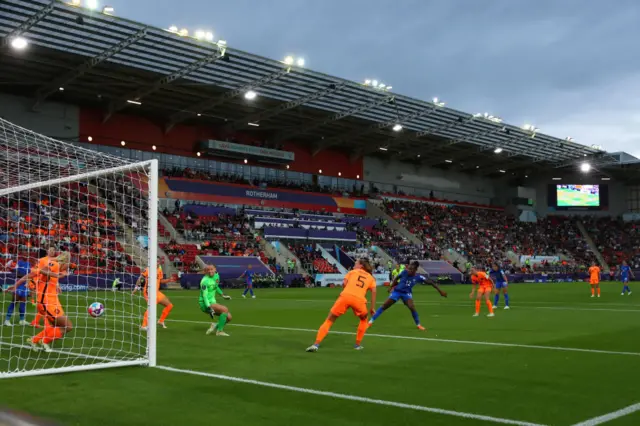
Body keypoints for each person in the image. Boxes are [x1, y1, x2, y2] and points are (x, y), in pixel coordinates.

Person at [306, 258, 377, 352]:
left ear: (361, 266)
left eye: (356, 264)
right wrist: (372, 308)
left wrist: (347, 291)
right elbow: (374, 292)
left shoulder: (352, 272)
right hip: (359, 300)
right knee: (364, 320)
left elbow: (344, 283)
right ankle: (357, 345)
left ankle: (316, 344)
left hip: (345, 296)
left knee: (329, 320)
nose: (354, 266)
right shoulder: (371, 278)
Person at [368, 260, 447, 331]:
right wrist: (391, 287)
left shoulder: (418, 277)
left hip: (406, 293)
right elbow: (397, 278)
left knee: (412, 307)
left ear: (415, 270)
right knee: (385, 306)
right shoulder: (405, 272)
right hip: (397, 292)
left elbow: (431, 282)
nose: (408, 270)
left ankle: (418, 325)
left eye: (410, 269)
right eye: (408, 268)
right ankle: (370, 322)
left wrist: (440, 291)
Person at [30, 250, 71, 352]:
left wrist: (57, 282)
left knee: (56, 326)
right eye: (68, 264)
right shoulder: (55, 264)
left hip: (53, 301)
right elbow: (42, 270)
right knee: (68, 326)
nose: (68, 267)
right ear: (65, 261)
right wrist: (57, 275)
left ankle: (34, 340)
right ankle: (44, 341)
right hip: (47, 302)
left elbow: (50, 278)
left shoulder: (58, 268)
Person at [134, 262, 174, 330]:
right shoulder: (148, 269)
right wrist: (136, 288)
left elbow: (161, 281)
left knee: (169, 305)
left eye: (159, 261)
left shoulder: (159, 270)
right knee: (151, 308)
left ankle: (160, 321)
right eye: (157, 261)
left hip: (156, 292)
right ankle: (143, 326)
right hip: (148, 292)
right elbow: (140, 278)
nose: (158, 263)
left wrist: (169, 280)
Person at [199, 265, 232, 336]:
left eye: (211, 269)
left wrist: (223, 295)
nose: (210, 271)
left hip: (212, 302)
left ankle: (215, 325)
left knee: (229, 317)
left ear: (215, 269)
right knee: (225, 309)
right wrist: (209, 307)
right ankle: (219, 331)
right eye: (208, 270)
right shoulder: (204, 281)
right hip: (205, 303)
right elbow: (205, 296)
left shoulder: (216, 276)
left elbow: (216, 287)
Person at [3, 258, 31, 326]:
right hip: (18, 284)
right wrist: (26, 276)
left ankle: (22, 320)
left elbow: (30, 274)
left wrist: (28, 280)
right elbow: (16, 274)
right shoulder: (19, 263)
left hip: (25, 285)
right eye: (24, 251)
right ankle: (7, 320)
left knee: (23, 302)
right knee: (15, 301)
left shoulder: (28, 263)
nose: (25, 254)